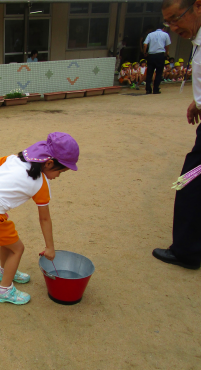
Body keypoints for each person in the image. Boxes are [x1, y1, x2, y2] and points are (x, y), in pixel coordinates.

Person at [0, 132, 79, 305]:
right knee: (17, 249)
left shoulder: (13, 159)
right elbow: (44, 219)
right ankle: (4, 291)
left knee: (8, 242)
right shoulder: (41, 183)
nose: (58, 177)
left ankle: (4, 271)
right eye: (61, 172)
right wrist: (50, 247)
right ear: (49, 163)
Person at [152, 0, 201, 269]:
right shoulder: (197, 39)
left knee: (188, 183)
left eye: (175, 18)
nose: (172, 28)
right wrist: (198, 101)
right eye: (167, 22)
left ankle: (186, 251)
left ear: (198, 6)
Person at [143, 24, 171, 94]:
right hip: (160, 55)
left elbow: (145, 44)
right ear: (163, 28)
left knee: (149, 72)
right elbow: (167, 45)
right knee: (159, 73)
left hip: (151, 55)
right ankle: (156, 89)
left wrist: (145, 52)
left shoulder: (150, 34)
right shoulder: (165, 34)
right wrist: (166, 53)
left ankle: (148, 89)